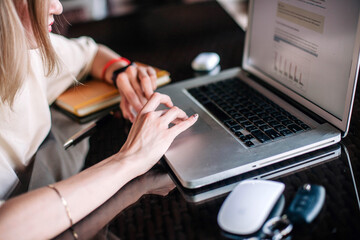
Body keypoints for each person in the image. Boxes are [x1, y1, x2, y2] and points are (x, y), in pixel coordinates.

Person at [0, 0, 198, 239]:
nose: (58, 7)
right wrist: (130, 159)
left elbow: (89, 54)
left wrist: (122, 71)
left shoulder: (21, 47)